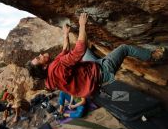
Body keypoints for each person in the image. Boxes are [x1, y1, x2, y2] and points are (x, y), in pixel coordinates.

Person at [25, 13, 165, 97]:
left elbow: (65, 52)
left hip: (90, 75)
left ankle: (115, 89)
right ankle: (153, 56)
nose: (40, 55)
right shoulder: (56, 68)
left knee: (85, 53)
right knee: (124, 48)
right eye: (38, 58)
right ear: (43, 67)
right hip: (101, 72)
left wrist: (66, 34)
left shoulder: (51, 74)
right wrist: (82, 25)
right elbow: (79, 49)